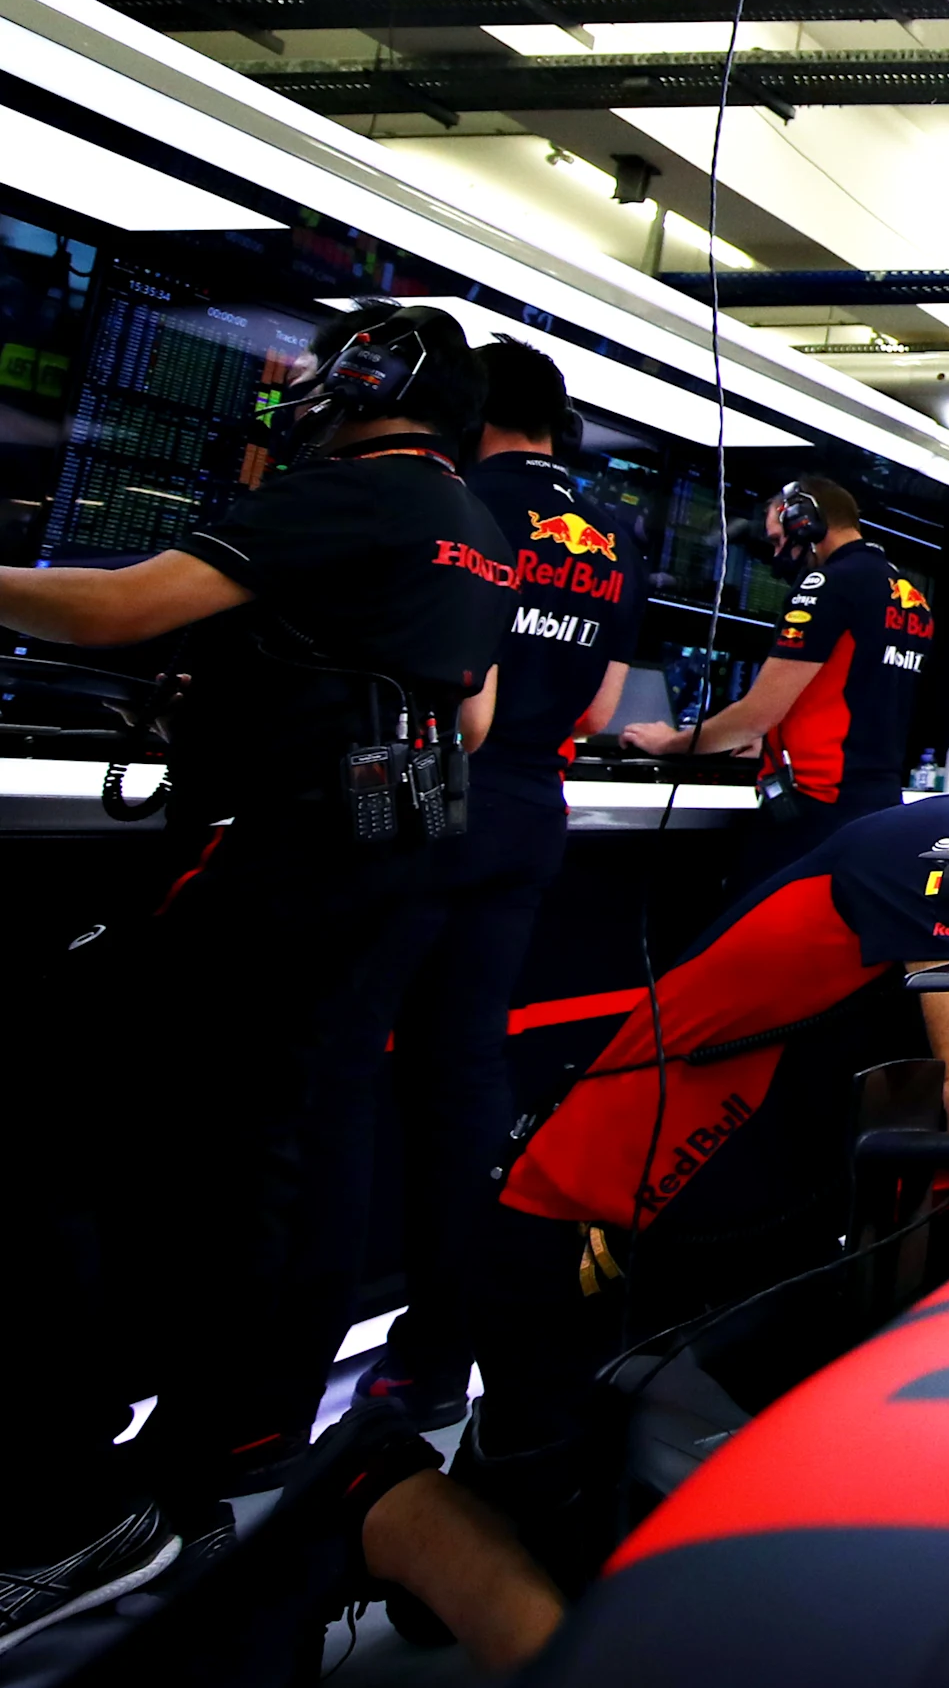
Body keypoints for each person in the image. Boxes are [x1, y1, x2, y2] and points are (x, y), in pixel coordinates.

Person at [341, 775, 949, 1670]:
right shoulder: (946, 845)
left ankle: (492, 1493)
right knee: (574, 1593)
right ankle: (376, 1495)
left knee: (749, 1511)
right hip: (576, 1228)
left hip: (716, 1239)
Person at [0, 305, 514, 1649]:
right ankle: (207, 1468)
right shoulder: (472, 521)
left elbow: (122, 607)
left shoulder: (346, 496)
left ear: (368, 383)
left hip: (284, 851)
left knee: (38, 1105)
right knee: (273, 1160)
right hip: (394, 852)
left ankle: (65, 1504)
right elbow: (474, 712)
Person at [364, 339, 643, 1429]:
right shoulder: (613, 530)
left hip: (425, 794)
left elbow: (438, 676)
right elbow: (599, 705)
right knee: (468, 1080)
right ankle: (440, 1343)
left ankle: (268, 1384)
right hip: (533, 806)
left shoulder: (453, 499)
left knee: (338, 1074)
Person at [621, 474, 932, 882]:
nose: (776, 553)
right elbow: (853, 693)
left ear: (806, 524)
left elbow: (756, 714)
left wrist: (674, 743)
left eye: (776, 539)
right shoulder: (910, 597)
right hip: (879, 808)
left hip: (813, 814)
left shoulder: (827, 584)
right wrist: (779, 740)